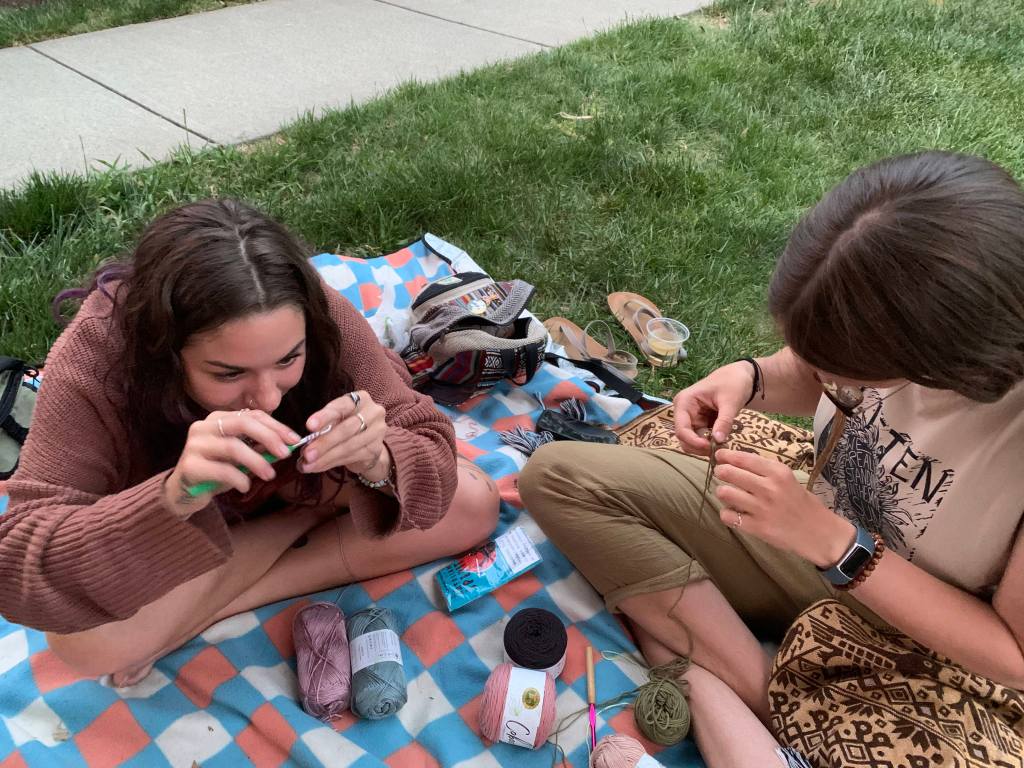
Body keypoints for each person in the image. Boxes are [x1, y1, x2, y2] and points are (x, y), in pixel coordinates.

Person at [521, 151, 1024, 766]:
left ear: (946, 357)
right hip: (804, 544)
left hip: (923, 641)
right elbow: (811, 371)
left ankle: (739, 679)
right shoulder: (905, 331)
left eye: (855, 379)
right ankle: (768, 688)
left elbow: (1013, 657)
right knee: (557, 477)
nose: (836, 386)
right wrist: (749, 378)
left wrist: (837, 545)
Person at [0, 199, 499, 686]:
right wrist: (174, 496)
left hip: (310, 485)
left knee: (474, 505)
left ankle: (215, 604)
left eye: (288, 360)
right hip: (192, 532)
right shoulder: (94, 358)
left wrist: (379, 457)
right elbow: (20, 566)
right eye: (228, 373)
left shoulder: (317, 310)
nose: (267, 398)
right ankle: (305, 517)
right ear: (164, 353)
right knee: (86, 646)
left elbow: (429, 450)